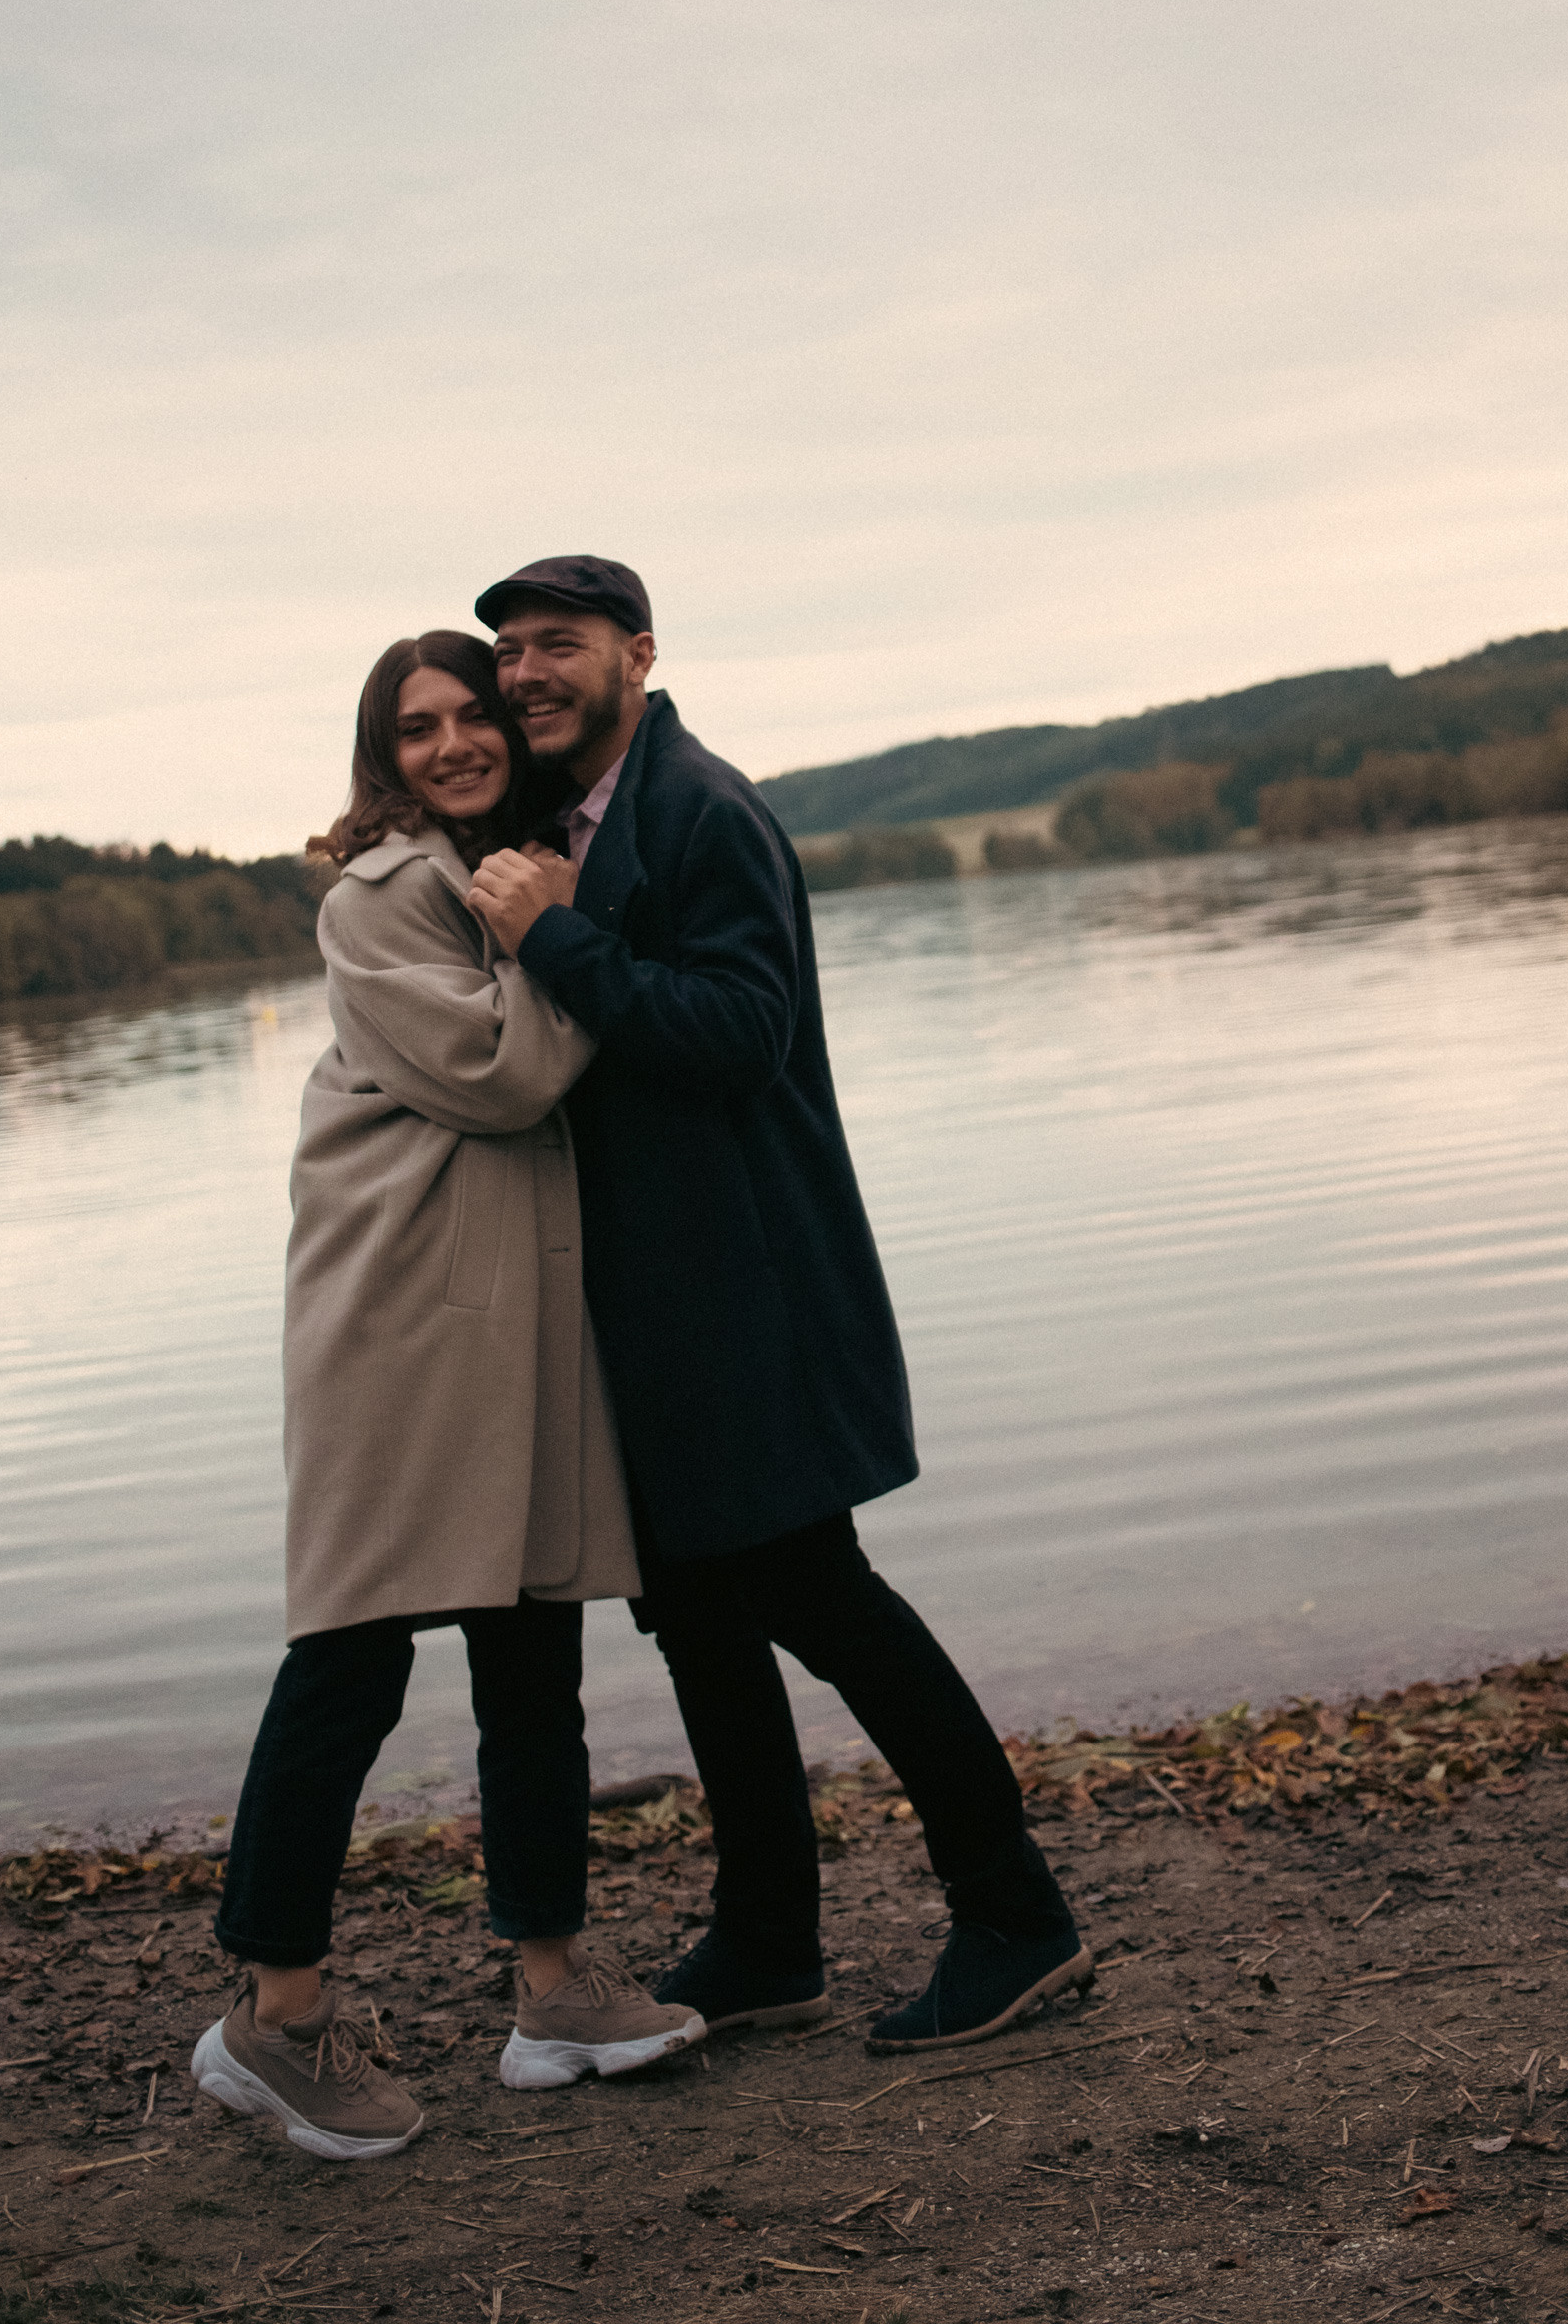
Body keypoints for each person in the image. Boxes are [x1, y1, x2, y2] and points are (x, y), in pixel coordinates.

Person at [466, 555, 1090, 2052]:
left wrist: (556, 937)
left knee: (830, 1607)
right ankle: (767, 1938)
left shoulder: (699, 809)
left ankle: (1015, 1919)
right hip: (659, 1326)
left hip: (750, 1302)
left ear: (639, 652)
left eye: (561, 643)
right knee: (695, 1623)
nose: (529, 672)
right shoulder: (574, 821)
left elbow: (741, 1035)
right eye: (511, 653)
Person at [192, 630, 703, 2165]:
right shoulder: (382, 897)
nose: (454, 744)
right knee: (348, 1659)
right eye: (416, 730)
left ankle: (553, 1988)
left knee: (532, 1653)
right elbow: (501, 1076)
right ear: (383, 754)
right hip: (398, 1329)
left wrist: (553, 922)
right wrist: (563, 948)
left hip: (514, 1326)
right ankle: (273, 2020)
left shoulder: (510, 866)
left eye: (472, 714)